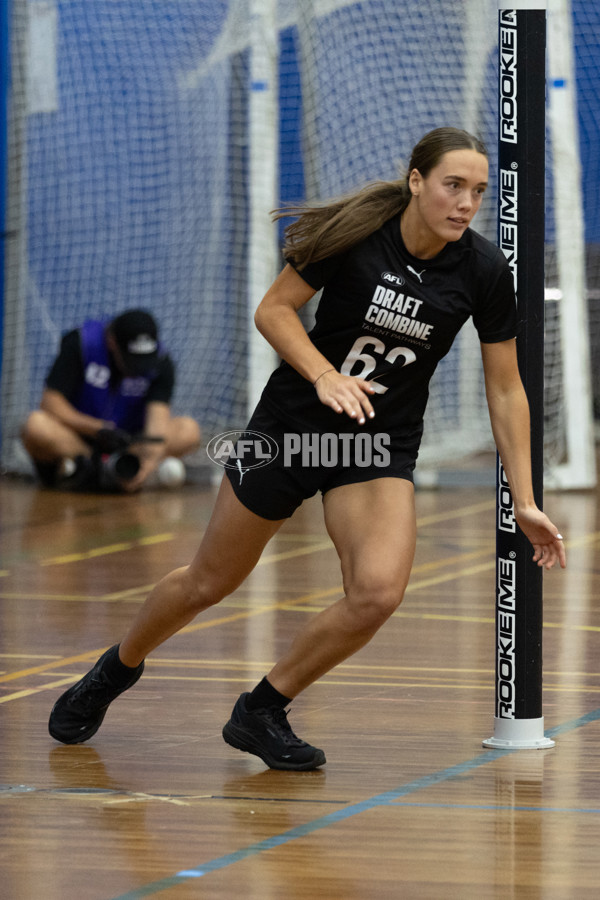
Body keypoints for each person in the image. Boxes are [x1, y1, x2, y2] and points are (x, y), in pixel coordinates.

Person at [47, 128, 566, 769]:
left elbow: (507, 388)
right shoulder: (356, 237)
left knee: (377, 592)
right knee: (210, 581)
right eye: (452, 185)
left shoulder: (483, 270)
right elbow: (274, 311)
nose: (465, 203)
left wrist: (525, 498)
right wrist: (324, 375)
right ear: (416, 181)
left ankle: (262, 710)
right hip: (292, 428)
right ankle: (115, 669)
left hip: (377, 442)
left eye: (478, 192)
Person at [21, 308, 201, 492]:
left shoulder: (161, 362)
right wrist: (98, 429)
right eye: (131, 360)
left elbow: (157, 426)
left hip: (131, 443)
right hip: (81, 438)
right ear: (112, 342)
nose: (137, 370)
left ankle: (123, 470)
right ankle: (93, 467)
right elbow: (51, 402)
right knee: (35, 425)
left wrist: (147, 462)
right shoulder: (81, 344)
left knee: (188, 430)